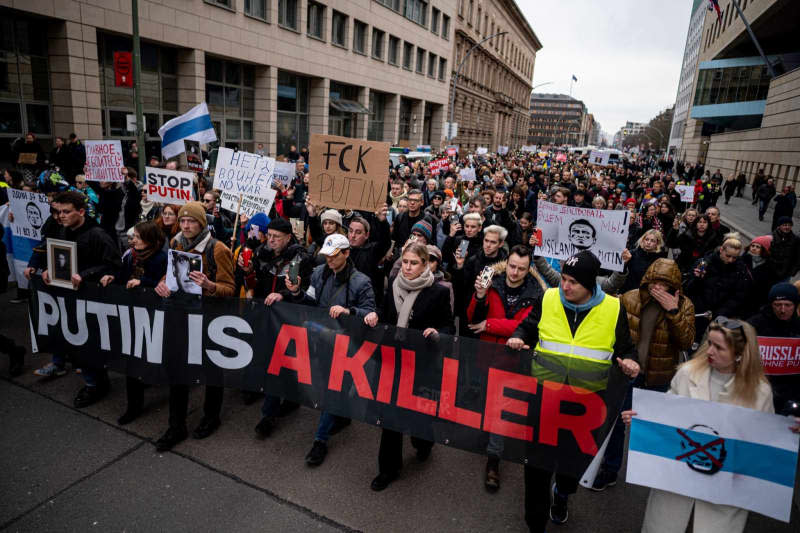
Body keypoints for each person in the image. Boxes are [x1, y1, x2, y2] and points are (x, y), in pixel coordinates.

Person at [506, 250, 640, 532]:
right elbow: (529, 327)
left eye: (573, 283)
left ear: (591, 284)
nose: (565, 286)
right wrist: (518, 337)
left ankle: (563, 493)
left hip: (584, 406)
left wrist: (630, 361)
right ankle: (536, 524)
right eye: (564, 279)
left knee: (569, 469)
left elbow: (626, 348)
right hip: (544, 400)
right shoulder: (550, 297)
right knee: (536, 469)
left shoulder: (614, 309)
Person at [625, 318, 784, 533]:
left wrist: (788, 433)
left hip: (724, 493)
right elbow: (666, 418)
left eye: (719, 347)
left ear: (740, 353)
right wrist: (644, 418)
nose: (710, 351)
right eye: (709, 343)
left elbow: (765, 443)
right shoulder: (687, 373)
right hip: (676, 485)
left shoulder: (759, 391)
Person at [591, 258, 695, 491]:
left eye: (664, 284)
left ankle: (652, 472)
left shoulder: (685, 305)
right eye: (655, 282)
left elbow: (686, 341)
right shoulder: (630, 299)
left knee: (653, 427)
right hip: (627, 374)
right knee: (616, 422)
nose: (658, 288)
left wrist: (674, 312)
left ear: (674, 286)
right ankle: (609, 470)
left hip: (659, 377)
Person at [272, 233, 375, 467]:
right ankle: (341, 415)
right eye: (326, 255)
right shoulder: (318, 274)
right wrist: (296, 292)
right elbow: (309, 304)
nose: (328, 260)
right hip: (320, 339)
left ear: (346, 254)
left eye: (333, 256)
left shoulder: (362, 282)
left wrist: (349, 312)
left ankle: (320, 441)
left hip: (345, 345)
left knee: (332, 389)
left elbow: (370, 312)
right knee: (330, 388)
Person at [363, 242, 453, 491]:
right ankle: (388, 469)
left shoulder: (439, 292)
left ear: (426, 264)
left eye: (414, 263)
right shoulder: (393, 283)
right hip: (393, 361)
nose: (408, 267)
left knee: (419, 414)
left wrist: (438, 332)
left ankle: (424, 442)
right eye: (405, 262)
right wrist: (375, 315)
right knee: (390, 417)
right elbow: (384, 311)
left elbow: (448, 327)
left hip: (422, 365)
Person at [153, 201, 235, 451]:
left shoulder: (217, 249)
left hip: (209, 317)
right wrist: (162, 283)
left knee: (212, 369)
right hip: (181, 315)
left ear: (202, 223)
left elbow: (229, 289)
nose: (186, 225)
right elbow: (170, 273)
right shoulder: (177, 243)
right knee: (178, 369)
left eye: (191, 221)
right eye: (183, 220)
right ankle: (176, 426)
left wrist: (209, 286)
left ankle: (211, 416)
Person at [466, 244, 547, 492]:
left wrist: (490, 324)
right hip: (486, 356)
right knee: (485, 402)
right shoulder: (492, 282)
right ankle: (488, 436)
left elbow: (526, 327)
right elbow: (472, 319)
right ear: (507, 262)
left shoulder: (537, 293)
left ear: (528, 269)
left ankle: (493, 461)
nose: (514, 272)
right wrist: (479, 296)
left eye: (521, 269)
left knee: (500, 410)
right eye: (512, 266)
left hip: (513, 362)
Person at [37, 191, 122, 405]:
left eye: (66, 212)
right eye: (58, 212)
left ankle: (95, 385)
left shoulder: (97, 235)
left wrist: (85, 275)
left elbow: (114, 265)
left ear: (81, 211)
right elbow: (59, 257)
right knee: (77, 342)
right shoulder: (62, 231)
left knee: (91, 344)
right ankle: (91, 380)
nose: (61, 216)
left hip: (92, 299)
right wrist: (49, 269)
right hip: (70, 298)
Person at [98, 220, 168, 425]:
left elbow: (165, 285)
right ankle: (133, 406)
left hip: (153, 316)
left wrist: (144, 283)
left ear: (149, 240)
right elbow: (123, 275)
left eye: (137, 237)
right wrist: (112, 277)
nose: (133, 240)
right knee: (133, 361)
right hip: (133, 315)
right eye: (133, 236)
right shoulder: (131, 256)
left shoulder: (161, 259)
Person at [686, 235, 751, 340]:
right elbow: (689, 290)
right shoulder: (704, 263)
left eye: (734, 257)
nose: (730, 260)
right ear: (721, 250)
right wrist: (697, 279)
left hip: (722, 318)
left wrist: (720, 314)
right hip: (699, 314)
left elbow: (739, 296)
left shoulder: (740, 270)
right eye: (728, 256)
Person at [747, 282, 800, 412]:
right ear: (771, 305)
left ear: (795, 305)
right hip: (758, 390)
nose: (782, 310)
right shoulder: (754, 325)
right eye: (778, 305)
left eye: (788, 305)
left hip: (791, 394)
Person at [741, 235, 776, 315]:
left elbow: (766, 288)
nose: (754, 248)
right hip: (739, 297)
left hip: (754, 303)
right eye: (752, 245)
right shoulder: (743, 259)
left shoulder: (769, 266)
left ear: (764, 250)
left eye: (758, 247)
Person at [769, 217, 800, 281]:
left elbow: (798, 257)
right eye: (784, 225)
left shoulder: (796, 239)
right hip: (771, 271)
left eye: (789, 225)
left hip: (786, 274)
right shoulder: (771, 237)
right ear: (779, 226)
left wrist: (793, 271)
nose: (787, 227)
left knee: (782, 290)